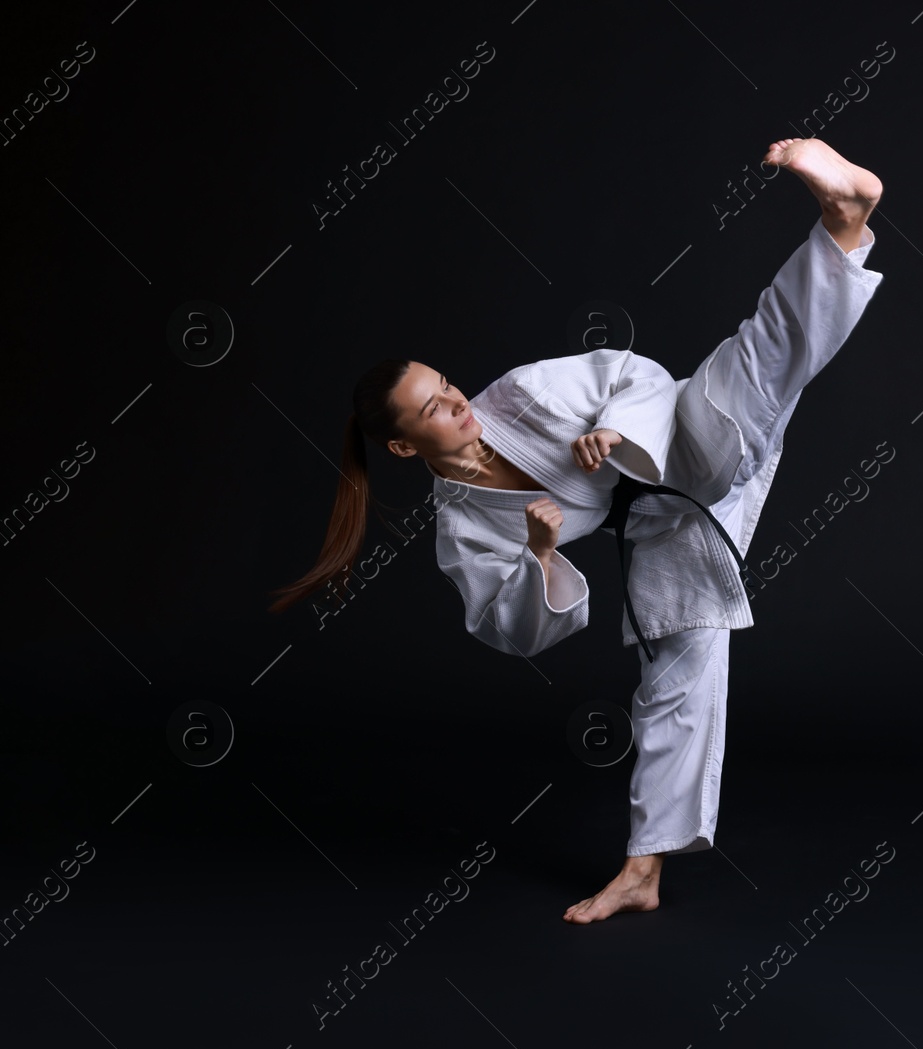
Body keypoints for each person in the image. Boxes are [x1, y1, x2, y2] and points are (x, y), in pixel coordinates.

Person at [269, 137, 884, 923]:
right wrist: (541, 555)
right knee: (677, 675)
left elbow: (637, 374)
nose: (457, 401)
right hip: (662, 525)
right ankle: (643, 870)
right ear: (402, 445)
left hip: (679, 437)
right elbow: (509, 628)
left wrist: (616, 436)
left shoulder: (520, 396)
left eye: (447, 384)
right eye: (433, 408)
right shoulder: (461, 525)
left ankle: (843, 220)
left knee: (747, 377)